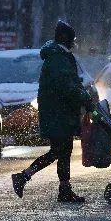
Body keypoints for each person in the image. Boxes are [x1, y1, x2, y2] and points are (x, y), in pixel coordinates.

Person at [11, 20, 93, 203]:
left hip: (60, 113)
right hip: (58, 114)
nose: (73, 43)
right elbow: (68, 86)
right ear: (65, 39)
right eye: (72, 39)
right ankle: (23, 176)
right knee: (58, 151)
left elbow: (70, 84)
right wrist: (86, 100)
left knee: (63, 152)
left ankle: (64, 189)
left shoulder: (59, 56)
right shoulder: (58, 59)